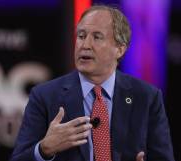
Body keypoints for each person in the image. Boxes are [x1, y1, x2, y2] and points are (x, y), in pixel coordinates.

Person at [10, 5, 175, 161]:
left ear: (120, 49)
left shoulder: (146, 97)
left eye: (97, 37)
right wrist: (44, 149)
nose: (85, 45)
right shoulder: (44, 96)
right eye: (81, 36)